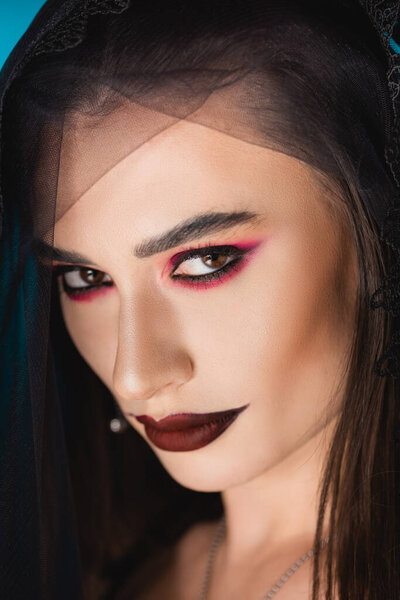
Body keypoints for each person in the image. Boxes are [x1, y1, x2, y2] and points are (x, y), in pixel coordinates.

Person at [0, 0, 399, 599]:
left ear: (375, 231)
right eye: (84, 278)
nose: (134, 376)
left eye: (206, 261)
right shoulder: (118, 577)